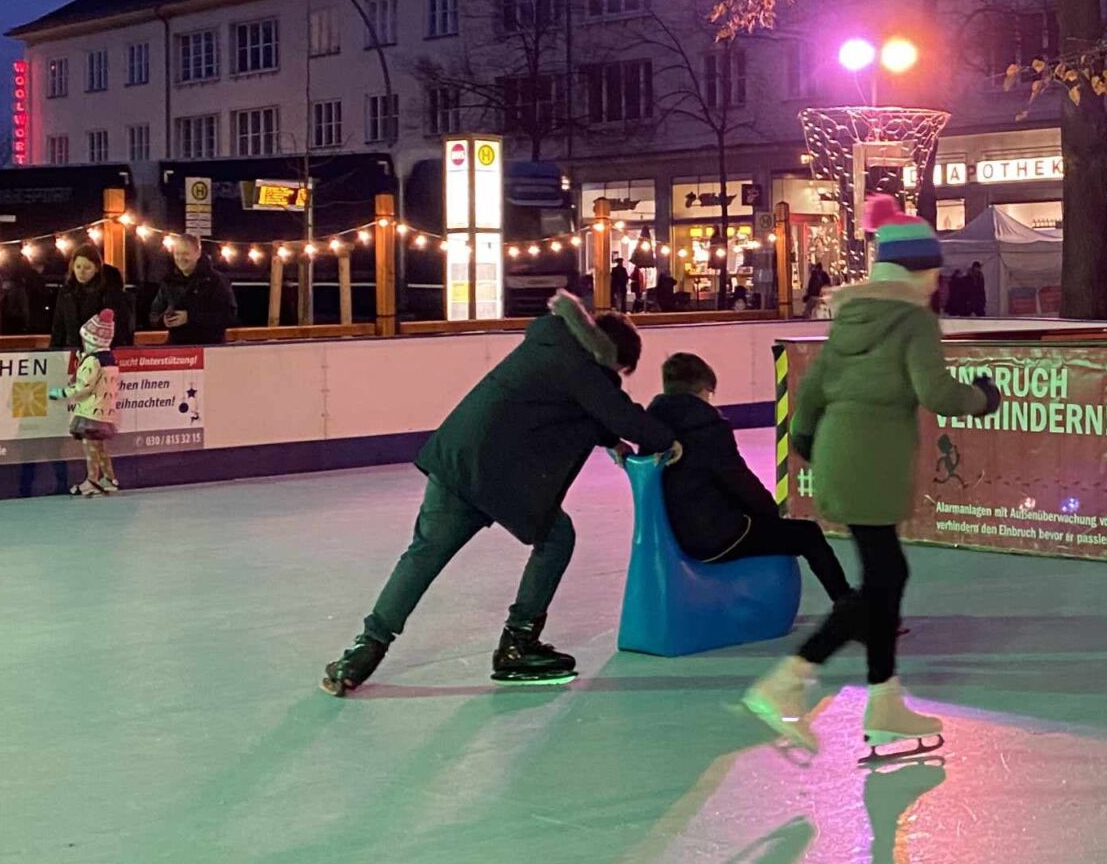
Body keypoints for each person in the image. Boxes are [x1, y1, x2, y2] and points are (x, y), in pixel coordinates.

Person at [320, 291, 680, 696]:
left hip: (458, 462)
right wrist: (669, 439)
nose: (615, 377)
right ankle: (518, 643)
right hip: (501, 476)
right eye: (619, 370)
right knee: (557, 538)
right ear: (610, 355)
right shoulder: (581, 366)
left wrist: (609, 440)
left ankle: (364, 650)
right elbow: (617, 409)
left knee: (423, 555)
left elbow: (576, 404)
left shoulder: (552, 344)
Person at [742, 195, 1000, 755]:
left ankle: (884, 700)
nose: (936, 281)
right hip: (874, 458)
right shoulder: (912, 320)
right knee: (884, 577)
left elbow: (810, 391)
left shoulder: (853, 316)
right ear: (916, 270)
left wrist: (810, 443)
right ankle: (788, 681)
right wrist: (982, 397)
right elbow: (935, 392)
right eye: (932, 270)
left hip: (839, 451)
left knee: (887, 575)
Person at [646, 353, 852, 602]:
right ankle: (848, 604)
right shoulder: (708, 428)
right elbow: (741, 485)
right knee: (807, 534)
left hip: (671, 533)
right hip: (713, 537)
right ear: (702, 390)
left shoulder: (652, 428)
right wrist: (770, 511)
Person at [49, 308, 122, 497]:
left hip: (91, 411)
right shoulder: (110, 360)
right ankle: (109, 478)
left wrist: (62, 393)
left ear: (90, 341)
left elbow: (83, 387)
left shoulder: (92, 362)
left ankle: (92, 480)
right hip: (105, 411)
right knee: (101, 446)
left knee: (90, 446)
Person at [150, 234, 235, 345]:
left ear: (198, 253)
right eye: (177, 254)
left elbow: (229, 316)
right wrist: (164, 320)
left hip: (210, 347)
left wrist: (190, 318)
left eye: (185, 254)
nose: (180, 258)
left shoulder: (216, 281)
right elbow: (154, 314)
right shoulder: (168, 282)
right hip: (177, 349)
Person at [50, 244, 136, 350]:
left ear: (96, 268)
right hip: (71, 353)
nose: (81, 272)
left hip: (98, 353)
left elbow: (119, 329)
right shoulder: (66, 293)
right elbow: (58, 328)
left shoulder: (108, 294)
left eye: (87, 268)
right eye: (78, 267)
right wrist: (53, 353)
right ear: (72, 267)